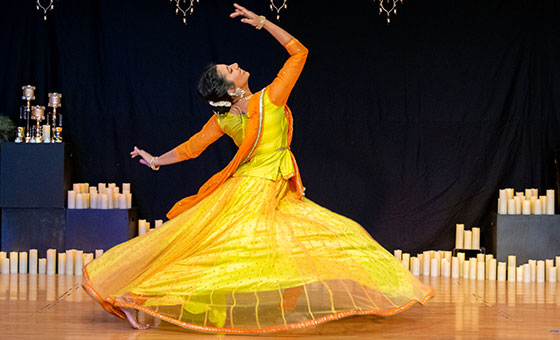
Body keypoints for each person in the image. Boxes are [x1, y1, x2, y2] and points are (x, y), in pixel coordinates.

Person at [82, 3, 433, 334]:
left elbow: (192, 148)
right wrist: (264, 23)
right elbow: (299, 53)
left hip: (274, 189)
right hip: (255, 192)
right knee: (222, 256)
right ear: (231, 88)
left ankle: (325, 298)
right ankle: (133, 297)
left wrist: (157, 160)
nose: (236, 65)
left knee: (331, 236)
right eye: (230, 70)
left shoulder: (225, 118)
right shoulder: (269, 99)